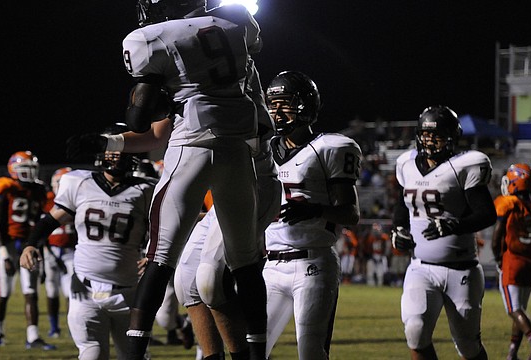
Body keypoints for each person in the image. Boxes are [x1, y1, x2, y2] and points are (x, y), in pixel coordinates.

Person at [120, 1, 269, 358]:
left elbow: (139, 119)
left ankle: (134, 352)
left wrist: (161, 101)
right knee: (245, 262)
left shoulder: (151, 38)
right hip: (237, 148)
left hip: (192, 145)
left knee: (160, 257)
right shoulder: (238, 22)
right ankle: (255, 353)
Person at [21, 123, 155, 360]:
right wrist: (31, 243)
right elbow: (52, 219)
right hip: (86, 290)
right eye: (110, 148)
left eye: (121, 149)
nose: (115, 155)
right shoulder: (79, 182)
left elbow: (168, 229)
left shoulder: (146, 191)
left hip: (128, 294)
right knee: (91, 354)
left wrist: (153, 254)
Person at [262, 71, 362, 359]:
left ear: (305, 105)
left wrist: (315, 209)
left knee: (311, 351)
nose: (277, 112)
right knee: (250, 348)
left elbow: (351, 214)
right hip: (270, 265)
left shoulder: (329, 148)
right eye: (273, 104)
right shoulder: (264, 150)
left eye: (285, 103)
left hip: (313, 263)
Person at [390, 105, 496, 360]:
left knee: (468, 346)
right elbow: (402, 204)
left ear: (451, 137)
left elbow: (486, 214)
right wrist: (398, 229)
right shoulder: (406, 163)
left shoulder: (465, 165)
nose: (430, 141)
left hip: (462, 269)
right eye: (426, 135)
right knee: (415, 332)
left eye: (436, 135)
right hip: (421, 267)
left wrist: (454, 225)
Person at [0, 151, 55, 351]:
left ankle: (33, 336)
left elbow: (40, 223)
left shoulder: (38, 190)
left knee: (31, 292)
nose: (29, 173)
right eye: (25, 168)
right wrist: (4, 254)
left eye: (31, 168)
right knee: (5, 291)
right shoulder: (5, 188)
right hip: (8, 243)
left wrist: (40, 250)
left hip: (29, 243)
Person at [492, 163, 531, 360]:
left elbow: (497, 234)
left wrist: (498, 255)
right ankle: (512, 353)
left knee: (513, 309)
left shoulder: (508, 203)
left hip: (512, 261)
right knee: (520, 310)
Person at [42, 166, 77, 339]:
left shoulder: (79, 199)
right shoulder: (47, 200)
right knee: (51, 290)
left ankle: (73, 326)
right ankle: (54, 327)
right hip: (51, 250)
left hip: (71, 250)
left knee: (71, 291)